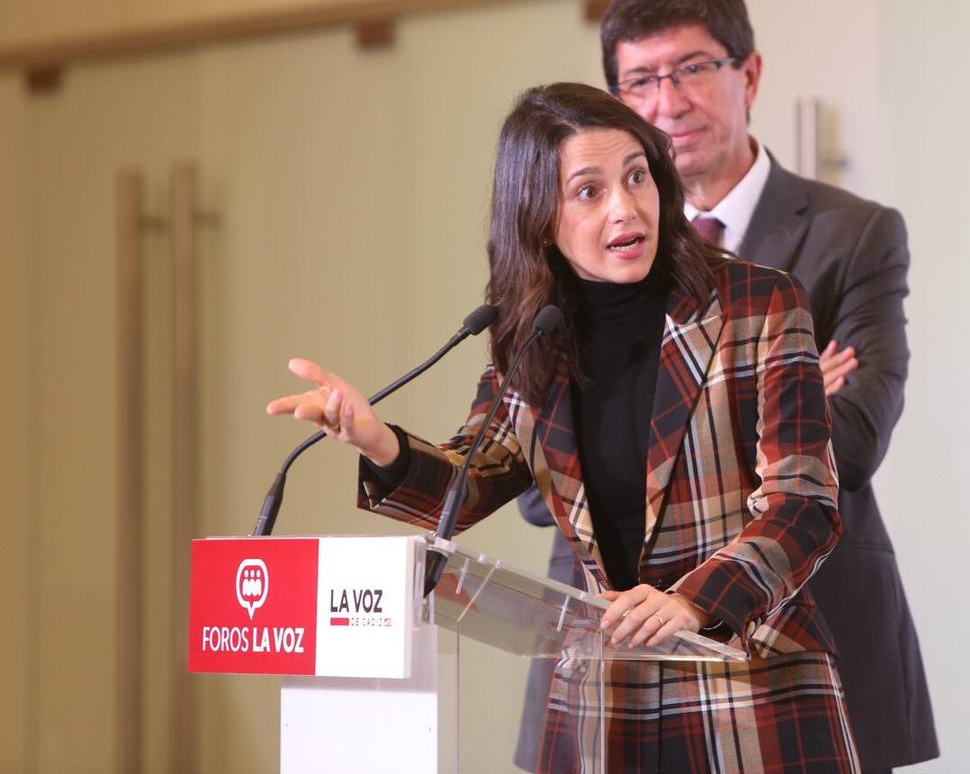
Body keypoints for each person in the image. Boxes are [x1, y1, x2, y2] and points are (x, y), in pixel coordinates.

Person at [267, 82, 860, 772]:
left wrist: (695, 603)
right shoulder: (532, 335)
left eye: (637, 176)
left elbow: (804, 505)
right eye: (589, 191)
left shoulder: (758, 303)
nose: (625, 207)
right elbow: (470, 482)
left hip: (752, 694)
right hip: (604, 706)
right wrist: (375, 439)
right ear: (539, 217)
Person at [517, 0, 937, 772]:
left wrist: (668, 421)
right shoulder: (576, 256)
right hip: (615, 654)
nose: (666, 101)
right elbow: (542, 493)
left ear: (749, 74)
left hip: (793, 634)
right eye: (639, 80)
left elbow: (851, 445)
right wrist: (789, 384)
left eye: (692, 68)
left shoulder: (854, 236)